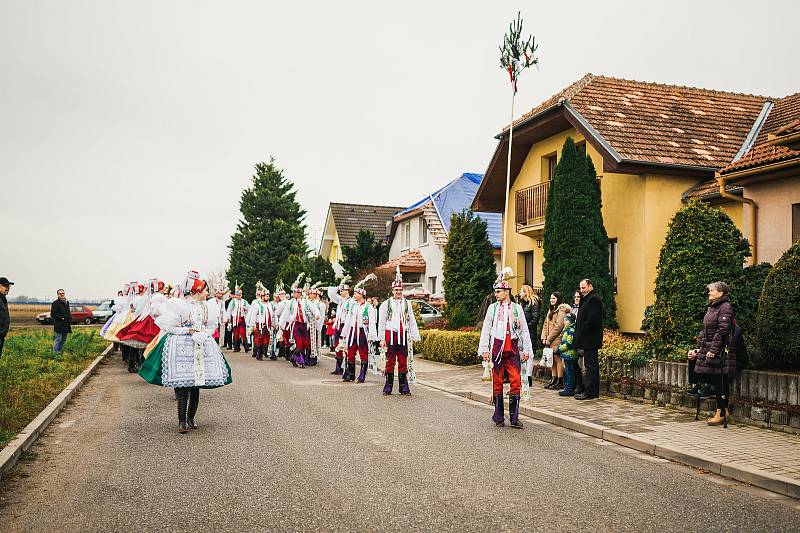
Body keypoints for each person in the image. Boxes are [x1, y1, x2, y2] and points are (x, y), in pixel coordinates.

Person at [139, 271, 232, 433]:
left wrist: (205, 334)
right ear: (197, 292)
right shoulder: (180, 305)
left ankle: (191, 418)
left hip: (200, 347)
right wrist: (188, 331)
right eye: (204, 290)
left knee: (196, 386)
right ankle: (181, 421)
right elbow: (170, 327)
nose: (206, 293)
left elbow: (211, 326)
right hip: (183, 347)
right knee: (183, 387)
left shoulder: (208, 307)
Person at [479, 268, 533, 429]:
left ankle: (514, 418)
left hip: (514, 348)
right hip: (497, 347)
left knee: (516, 381)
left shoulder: (517, 308)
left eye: (499, 291)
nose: (496, 294)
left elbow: (524, 330)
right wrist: (485, 350)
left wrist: (527, 350)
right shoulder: (492, 308)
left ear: (507, 292)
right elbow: (486, 330)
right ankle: (499, 416)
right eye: (495, 291)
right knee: (497, 381)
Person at [688, 281, 737, 426]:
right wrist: (697, 349)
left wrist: (713, 350)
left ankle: (721, 413)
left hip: (721, 350)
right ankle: (724, 411)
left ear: (721, 293)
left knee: (721, 381)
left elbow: (723, 331)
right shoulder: (712, 308)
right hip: (709, 348)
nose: (709, 293)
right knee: (716, 381)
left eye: (712, 290)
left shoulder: (725, 307)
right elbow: (704, 332)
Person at [378, 267, 421, 395]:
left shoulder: (407, 303)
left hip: (403, 335)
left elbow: (411, 320)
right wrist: (382, 338)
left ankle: (404, 387)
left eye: (400, 290)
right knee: (390, 360)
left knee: (403, 360)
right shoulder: (385, 304)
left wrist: (414, 335)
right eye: (396, 290)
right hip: (390, 334)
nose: (398, 292)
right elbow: (382, 322)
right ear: (392, 291)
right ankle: (388, 386)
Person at [339, 274, 377, 383]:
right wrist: (344, 333)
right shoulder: (353, 306)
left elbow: (372, 323)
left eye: (356, 294)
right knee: (350, 352)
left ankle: (362, 375)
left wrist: (371, 336)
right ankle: (350, 374)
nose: (354, 295)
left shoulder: (368, 307)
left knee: (363, 353)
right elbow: (348, 320)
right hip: (352, 331)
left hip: (362, 332)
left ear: (361, 295)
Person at [279, 275, 321, 369]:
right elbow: (285, 313)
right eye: (293, 292)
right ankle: (300, 361)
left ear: (299, 293)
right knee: (299, 343)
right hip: (296, 324)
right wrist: (281, 324)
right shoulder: (291, 303)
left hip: (304, 325)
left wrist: (317, 314)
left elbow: (314, 308)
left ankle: (293, 358)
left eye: (295, 292)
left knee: (305, 343)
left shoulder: (306, 302)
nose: (293, 294)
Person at [574, 278, 604, 401]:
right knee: (590, 364)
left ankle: (591, 392)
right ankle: (591, 391)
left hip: (590, 338)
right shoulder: (587, 299)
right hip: (587, 338)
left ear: (590, 286)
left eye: (584, 287)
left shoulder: (594, 299)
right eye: (580, 288)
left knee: (591, 365)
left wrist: (582, 331)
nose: (582, 290)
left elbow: (592, 319)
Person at [327, 278, 354, 375]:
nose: (341, 292)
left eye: (343, 290)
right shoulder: (340, 300)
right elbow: (331, 293)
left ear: (347, 291)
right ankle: (338, 368)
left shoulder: (351, 301)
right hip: (338, 325)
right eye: (341, 290)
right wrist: (339, 286)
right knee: (337, 346)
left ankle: (347, 369)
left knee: (345, 346)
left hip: (345, 325)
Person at [540, 292, 567, 390]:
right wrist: (543, 337)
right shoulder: (551, 309)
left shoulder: (561, 310)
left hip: (556, 339)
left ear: (558, 299)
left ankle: (560, 380)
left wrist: (549, 338)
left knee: (557, 359)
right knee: (551, 360)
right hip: (549, 339)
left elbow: (558, 326)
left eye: (554, 298)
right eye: (551, 298)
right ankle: (553, 378)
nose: (551, 300)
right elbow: (545, 324)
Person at [246, 282, 272, 361]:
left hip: (267, 325)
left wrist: (275, 323)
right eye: (266, 296)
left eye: (268, 296)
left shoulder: (269, 305)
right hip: (259, 324)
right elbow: (253, 315)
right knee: (259, 339)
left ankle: (265, 352)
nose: (268, 297)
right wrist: (252, 325)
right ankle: (259, 354)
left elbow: (272, 315)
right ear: (262, 297)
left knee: (266, 339)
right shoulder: (258, 305)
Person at [556, 313, 578, 396]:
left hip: (570, 354)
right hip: (566, 354)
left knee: (569, 372)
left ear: (571, 321)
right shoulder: (567, 329)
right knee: (568, 371)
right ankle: (568, 387)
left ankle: (570, 389)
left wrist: (559, 349)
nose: (564, 322)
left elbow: (569, 343)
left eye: (566, 320)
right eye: (564, 320)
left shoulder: (570, 330)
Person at [226, 284, 249, 353]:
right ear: (236, 295)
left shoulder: (244, 301)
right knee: (236, 333)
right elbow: (229, 310)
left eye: (240, 295)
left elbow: (249, 308)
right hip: (235, 318)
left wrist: (246, 308)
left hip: (241, 319)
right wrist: (228, 318)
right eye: (238, 295)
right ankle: (236, 347)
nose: (239, 296)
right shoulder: (233, 301)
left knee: (243, 332)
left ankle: (246, 347)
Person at [51, 289, 72, 355]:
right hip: (59, 324)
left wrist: (69, 318)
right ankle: (55, 354)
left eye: (63, 293)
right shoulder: (55, 303)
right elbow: (53, 314)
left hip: (66, 324)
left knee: (63, 340)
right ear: (58, 294)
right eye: (60, 293)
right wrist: (61, 318)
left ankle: (59, 352)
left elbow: (68, 312)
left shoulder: (66, 302)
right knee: (58, 339)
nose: (62, 294)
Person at [0, 277, 13, 359]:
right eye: (5, 286)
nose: (7, 288)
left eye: (8, 286)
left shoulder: (2, 299)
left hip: (1, 335)